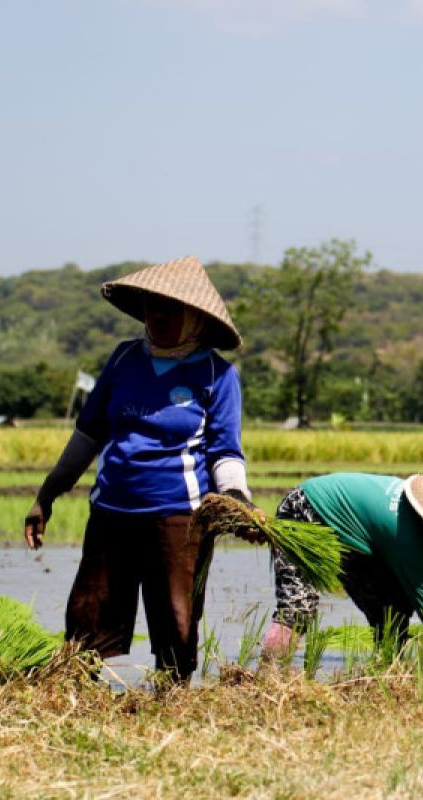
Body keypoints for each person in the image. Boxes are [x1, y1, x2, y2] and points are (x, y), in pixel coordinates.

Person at [23, 256, 251, 681]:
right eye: (152, 307)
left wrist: (236, 498)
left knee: (177, 620)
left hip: (177, 517)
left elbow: (225, 451)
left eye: (170, 309)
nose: (158, 317)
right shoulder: (124, 359)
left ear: (195, 318)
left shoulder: (216, 375)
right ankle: (78, 694)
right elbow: (87, 435)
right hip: (111, 511)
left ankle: (173, 697)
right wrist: (47, 494)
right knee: (89, 613)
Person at [262, 468, 423, 655]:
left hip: (354, 535)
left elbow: (416, 589)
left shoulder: (414, 518)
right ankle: (269, 677)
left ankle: (387, 669)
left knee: (392, 607)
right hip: (306, 510)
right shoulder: (408, 537)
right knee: (299, 606)